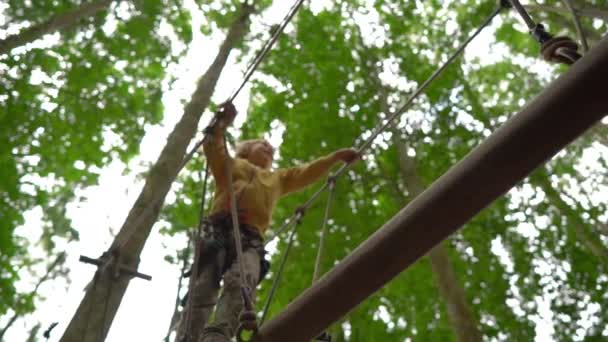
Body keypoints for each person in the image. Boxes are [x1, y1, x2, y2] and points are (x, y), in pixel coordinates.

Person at [178, 102, 360, 342]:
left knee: (243, 281)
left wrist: (334, 158)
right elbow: (213, 147)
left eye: (271, 150)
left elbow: (306, 172)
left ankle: (219, 335)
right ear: (245, 149)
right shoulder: (232, 165)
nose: (268, 149)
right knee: (202, 286)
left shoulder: (278, 179)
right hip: (218, 231)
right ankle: (187, 337)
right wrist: (221, 124)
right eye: (261, 144)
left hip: (251, 240)